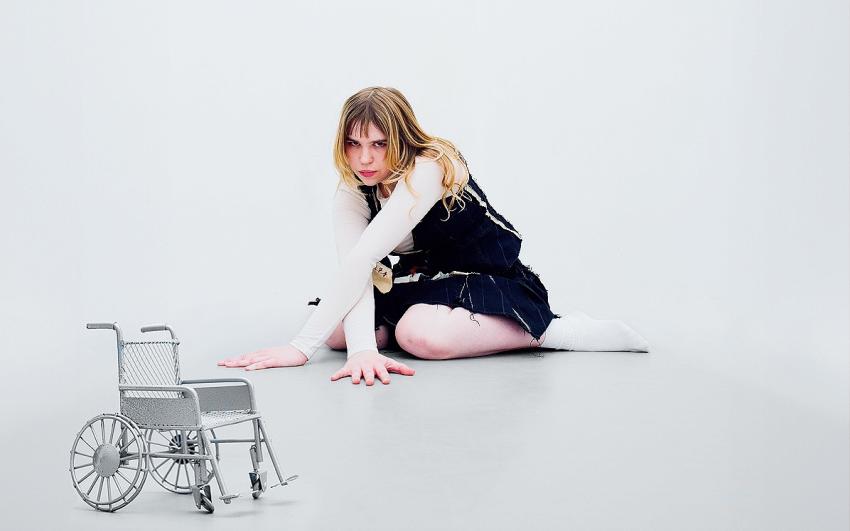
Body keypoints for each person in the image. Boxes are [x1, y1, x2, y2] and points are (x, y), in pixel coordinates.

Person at [218, 87, 649, 385]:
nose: (364, 159)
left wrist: (299, 349)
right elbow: (355, 264)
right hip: (423, 281)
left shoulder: (430, 167)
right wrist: (360, 350)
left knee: (418, 337)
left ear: (401, 139)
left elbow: (365, 256)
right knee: (336, 333)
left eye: (378, 144)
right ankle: (386, 334)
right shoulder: (353, 187)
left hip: (485, 278)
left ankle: (551, 331)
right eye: (353, 144)